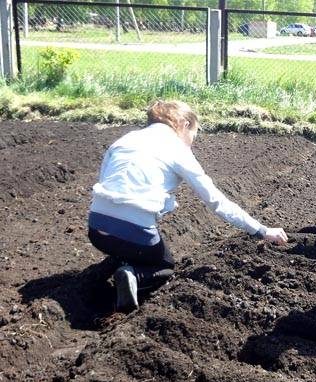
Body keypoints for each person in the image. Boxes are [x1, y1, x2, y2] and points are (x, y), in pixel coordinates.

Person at [87, 100, 288, 312]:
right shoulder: (177, 149)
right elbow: (216, 202)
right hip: (136, 232)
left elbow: (105, 182)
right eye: (194, 134)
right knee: (165, 266)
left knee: (126, 243)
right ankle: (134, 276)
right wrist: (261, 230)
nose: (192, 142)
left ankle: (113, 269)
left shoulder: (125, 139)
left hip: (97, 230)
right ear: (184, 124)